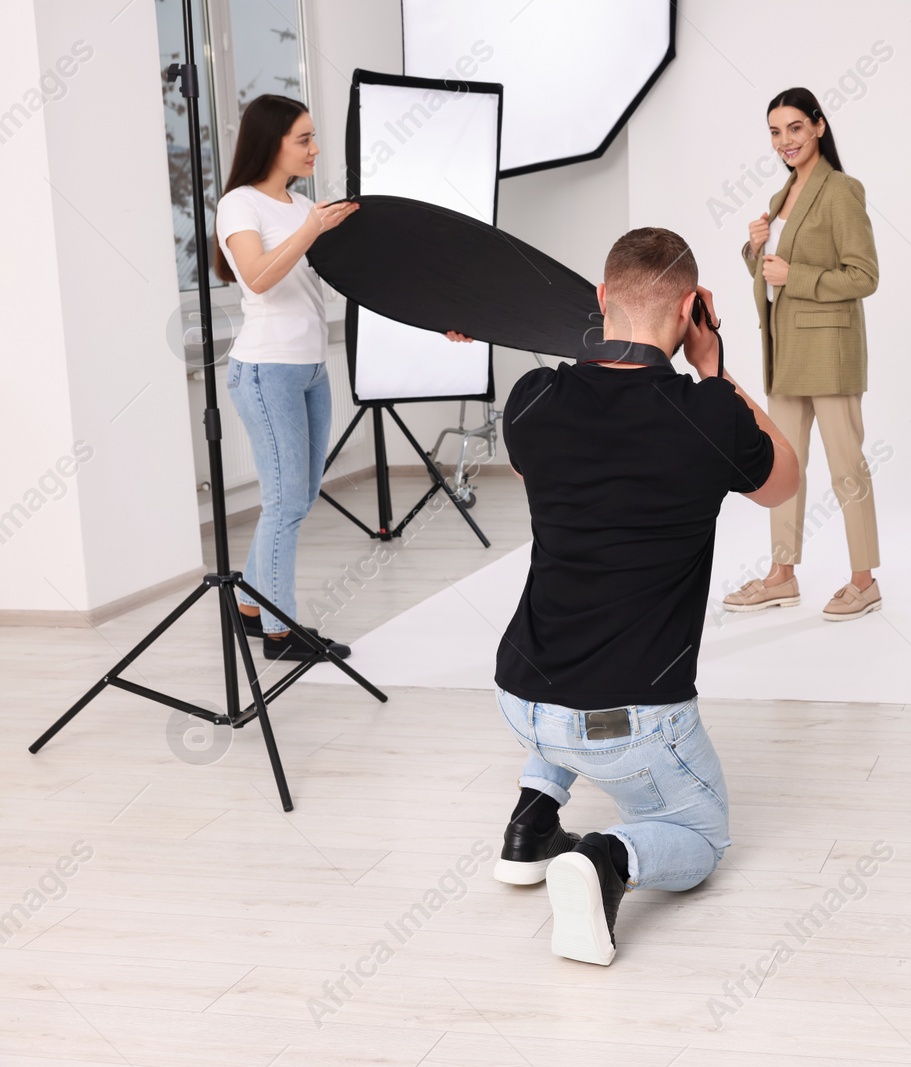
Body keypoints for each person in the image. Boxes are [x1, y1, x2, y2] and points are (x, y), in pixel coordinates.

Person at [490, 228, 800, 966]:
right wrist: (717, 372)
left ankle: (534, 820)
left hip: (522, 696)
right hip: (628, 722)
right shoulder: (712, 416)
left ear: (601, 300)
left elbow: (555, 476)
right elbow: (784, 480)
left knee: (570, 671)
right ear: (693, 308)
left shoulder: (532, 398)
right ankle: (604, 859)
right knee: (703, 838)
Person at [214, 95, 470, 660]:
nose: (315, 148)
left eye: (313, 137)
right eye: (303, 139)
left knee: (298, 497)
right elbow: (257, 277)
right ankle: (280, 635)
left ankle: (252, 607)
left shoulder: (303, 206)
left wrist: (438, 320)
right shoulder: (241, 205)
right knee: (285, 503)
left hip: (306, 369)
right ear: (271, 142)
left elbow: (369, 283)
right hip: (265, 369)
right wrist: (310, 227)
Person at [720, 87, 883, 621]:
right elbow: (772, 279)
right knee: (781, 467)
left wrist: (797, 275)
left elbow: (864, 276)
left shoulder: (842, 190)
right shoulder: (778, 197)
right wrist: (755, 250)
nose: (784, 140)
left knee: (846, 470)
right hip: (785, 351)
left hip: (831, 352)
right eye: (774, 131)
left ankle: (864, 581)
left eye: (793, 127)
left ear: (817, 126)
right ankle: (782, 575)